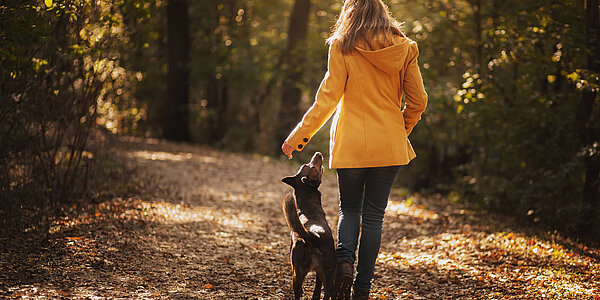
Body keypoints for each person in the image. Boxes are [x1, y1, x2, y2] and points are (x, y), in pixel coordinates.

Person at [281, 0, 428, 298]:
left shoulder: (342, 45)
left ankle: (344, 262)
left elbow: (327, 99)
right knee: (374, 216)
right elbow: (419, 101)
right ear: (382, 10)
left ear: (350, 11)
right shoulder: (406, 47)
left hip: (351, 143)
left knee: (349, 209)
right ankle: (362, 288)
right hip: (389, 144)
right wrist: (401, 130)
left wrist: (298, 137)